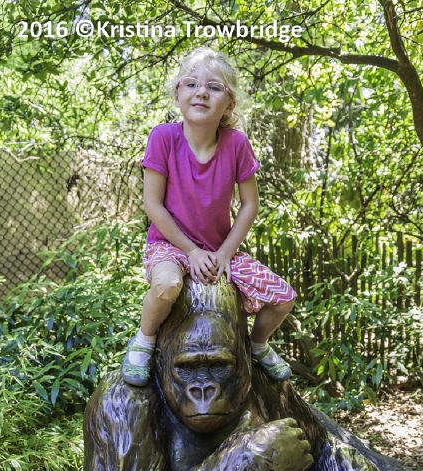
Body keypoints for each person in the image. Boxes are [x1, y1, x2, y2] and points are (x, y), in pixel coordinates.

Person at [121, 47, 297, 387]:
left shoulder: (237, 144)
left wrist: (226, 252)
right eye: (191, 84)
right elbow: (153, 205)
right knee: (167, 285)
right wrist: (190, 251)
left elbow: (250, 205)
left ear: (229, 104)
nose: (201, 92)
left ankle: (257, 345)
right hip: (171, 246)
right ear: (177, 94)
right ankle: (144, 340)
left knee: (283, 298)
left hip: (220, 251)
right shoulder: (163, 138)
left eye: (214, 87)